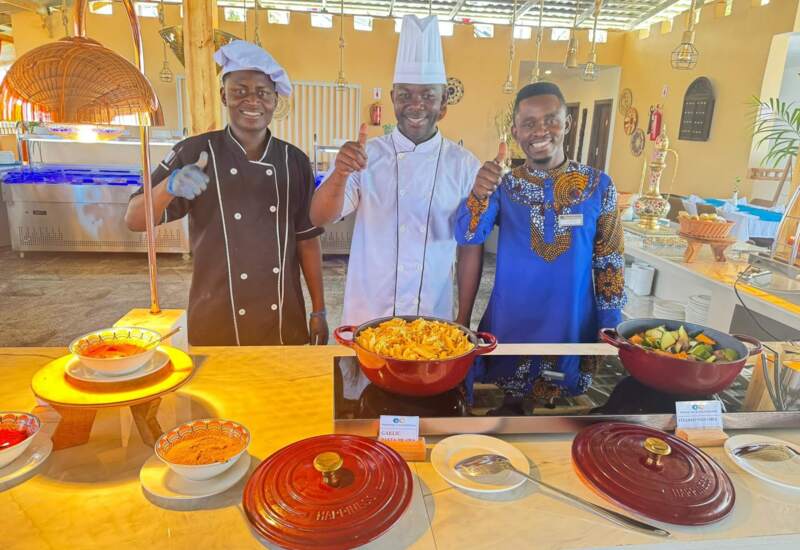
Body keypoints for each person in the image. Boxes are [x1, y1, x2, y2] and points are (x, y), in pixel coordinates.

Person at [310, 14, 481, 400]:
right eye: (405, 94)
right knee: (366, 411)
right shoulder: (367, 156)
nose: (415, 104)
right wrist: (338, 174)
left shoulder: (464, 165)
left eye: (427, 95)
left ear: (443, 104)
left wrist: (464, 319)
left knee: (424, 409)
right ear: (392, 100)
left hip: (432, 323)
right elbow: (318, 218)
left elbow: (470, 246)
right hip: (366, 317)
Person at [125, 41, 327, 346]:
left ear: (275, 100)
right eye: (240, 90)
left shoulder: (294, 160)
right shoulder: (193, 152)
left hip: (284, 318)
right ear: (224, 95)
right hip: (216, 315)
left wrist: (320, 310)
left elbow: (307, 242)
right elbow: (134, 220)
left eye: (262, 92)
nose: (252, 101)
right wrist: (168, 187)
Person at [455, 82, 626, 409]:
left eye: (551, 120)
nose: (540, 131)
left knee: (565, 417)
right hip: (512, 321)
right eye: (529, 123)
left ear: (568, 124)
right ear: (516, 131)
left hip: (570, 321)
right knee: (507, 404)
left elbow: (610, 261)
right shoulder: (506, 185)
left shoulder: (598, 186)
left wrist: (610, 325)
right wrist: (479, 193)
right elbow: (468, 235)